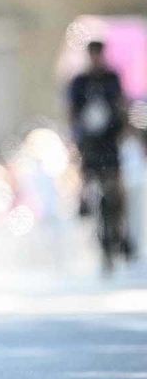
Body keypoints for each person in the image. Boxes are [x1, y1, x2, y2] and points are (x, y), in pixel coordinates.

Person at [68, 40, 132, 271]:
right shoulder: (79, 81)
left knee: (116, 188)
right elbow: (72, 112)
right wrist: (76, 141)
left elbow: (121, 105)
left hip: (109, 141)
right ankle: (83, 204)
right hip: (89, 143)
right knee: (88, 182)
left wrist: (124, 131)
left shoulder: (112, 78)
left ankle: (122, 233)